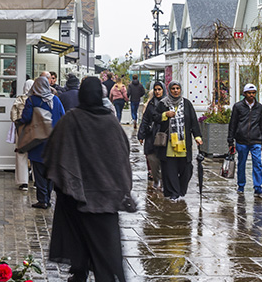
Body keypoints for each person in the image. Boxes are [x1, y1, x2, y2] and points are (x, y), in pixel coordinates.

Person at [45, 77, 132, 282]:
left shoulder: (71, 119)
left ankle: (80, 271)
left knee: (77, 238)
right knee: (106, 247)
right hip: (106, 198)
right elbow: (122, 156)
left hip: (76, 197)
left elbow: (53, 152)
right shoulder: (111, 122)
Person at [20, 76, 65, 209]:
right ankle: (48, 197)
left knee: (38, 172)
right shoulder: (56, 99)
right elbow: (63, 116)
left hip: (38, 141)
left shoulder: (32, 100)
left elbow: (26, 118)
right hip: (54, 142)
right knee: (50, 172)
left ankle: (42, 199)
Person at [155, 81, 203, 200]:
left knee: (186, 169)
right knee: (170, 169)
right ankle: (174, 192)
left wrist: (197, 136)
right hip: (169, 143)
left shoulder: (187, 104)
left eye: (177, 88)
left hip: (183, 143)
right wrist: (165, 115)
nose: (176, 90)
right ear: (169, 90)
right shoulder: (163, 104)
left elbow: (193, 121)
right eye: (173, 89)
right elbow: (155, 117)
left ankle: (181, 190)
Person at [227, 84, 262, 196]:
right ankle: (241, 185)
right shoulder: (238, 106)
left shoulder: (259, 107)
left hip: (256, 140)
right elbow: (233, 124)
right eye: (249, 93)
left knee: (257, 163)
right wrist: (230, 141)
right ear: (244, 93)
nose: (251, 95)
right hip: (241, 140)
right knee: (241, 163)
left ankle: (258, 187)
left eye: (253, 93)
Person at [138, 80, 165, 190]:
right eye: (155, 89)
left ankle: (163, 181)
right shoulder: (151, 103)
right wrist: (141, 134)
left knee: (163, 159)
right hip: (151, 135)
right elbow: (145, 119)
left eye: (159, 89)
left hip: (164, 135)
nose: (157, 92)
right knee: (151, 158)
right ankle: (156, 178)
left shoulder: (167, 102)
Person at [10, 79, 35, 191]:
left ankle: (23, 182)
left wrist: (17, 123)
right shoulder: (37, 99)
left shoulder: (19, 99)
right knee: (35, 155)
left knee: (21, 155)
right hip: (35, 131)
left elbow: (13, 116)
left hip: (21, 130)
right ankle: (36, 181)